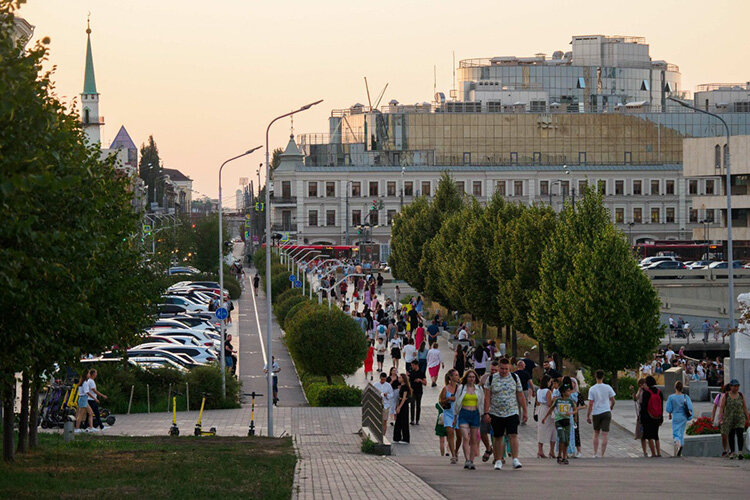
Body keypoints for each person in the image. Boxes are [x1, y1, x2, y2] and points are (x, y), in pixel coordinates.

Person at [483, 358, 527, 470]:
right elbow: (487, 396)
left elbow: (520, 395)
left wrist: (525, 411)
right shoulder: (491, 378)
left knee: (513, 434)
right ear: (498, 368)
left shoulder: (514, 378)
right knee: (498, 436)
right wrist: (486, 412)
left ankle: (515, 459)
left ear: (510, 368)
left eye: (506, 369)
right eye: (502, 368)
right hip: (496, 412)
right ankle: (498, 459)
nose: (504, 371)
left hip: (512, 411)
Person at [542, 382, 577, 464]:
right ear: (563, 392)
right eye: (568, 391)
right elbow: (551, 408)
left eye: (570, 391)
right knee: (562, 437)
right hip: (559, 421)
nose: (569, 393)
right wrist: (545, 418)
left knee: (567, 440)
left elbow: (575, 410)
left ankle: (564, 456)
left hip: (567, 421)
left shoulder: (570, 401)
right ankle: (559, 455)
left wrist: (572, 414)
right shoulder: (558, 400)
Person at [455, 369, 484, 469]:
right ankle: (467, 459)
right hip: (464, 413)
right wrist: (455, 416)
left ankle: (472, 461)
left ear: (475, 378)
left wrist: (483, 414)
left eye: (473, 377)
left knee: (473, 439)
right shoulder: (461, 388)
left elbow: (481, 402)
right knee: (466, 438)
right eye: (469, 377)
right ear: (466, 378)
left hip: (475, 413)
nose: (471, 379)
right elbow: (457, 402)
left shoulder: (478, 389)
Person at [586, 369, 616, 458]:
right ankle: (602, 454)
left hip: (596, 412)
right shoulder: (608, 387)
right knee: (605, 434)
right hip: (606, 411)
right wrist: (610, 407)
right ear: (603, 377)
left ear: (595, 376)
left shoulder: (592, 389)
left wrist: (588, 415)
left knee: (596, 433)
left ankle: (594, 453)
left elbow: (590, 403)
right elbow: (613, 400)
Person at [719, 379, 749, 459]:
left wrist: (748, 418)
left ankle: (740, 452)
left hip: (739, 418)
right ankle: (732, 452)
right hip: (729, 418)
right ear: (731, 386)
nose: (736, 388)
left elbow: (745, 407)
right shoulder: (726, 396)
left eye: (737, 386)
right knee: (731, 435)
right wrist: (720, 418)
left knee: (740, 434)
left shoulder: (741, 395)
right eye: (734, 386)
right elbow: (722, 407)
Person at [439, 369, 462, 464]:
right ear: (450, 377)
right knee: (450, 432)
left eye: (458, 375)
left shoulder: (460, 388)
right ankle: (453, 455)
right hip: (448, 413)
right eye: (455, 375)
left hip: (458, 413)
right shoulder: (446, 388)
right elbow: (441, 401)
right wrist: (448, 399)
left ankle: (456, 451)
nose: (457, 377)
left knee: (459, 436)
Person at [666, 380, 693, 457]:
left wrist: (670, 413)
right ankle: (681, 444)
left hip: (676, 416)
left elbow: (669, 409)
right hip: (683, 416)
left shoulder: (671, 397)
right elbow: (690, 407)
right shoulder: (686, 397)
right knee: (681, 432)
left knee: (676, 432)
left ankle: (678, 443)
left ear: (675, 388)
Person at [640, 375, 663, 457]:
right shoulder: (659, 392)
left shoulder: (646, 393)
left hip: (648, 417)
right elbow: (661, 405)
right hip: (657, 417)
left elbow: (643, 407)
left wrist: (641, 420)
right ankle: (659, 453)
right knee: (656, 436)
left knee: (649, 436)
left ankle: (653, 453)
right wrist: (661, 418)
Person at [535, 374, 556, 459]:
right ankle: (551, 451)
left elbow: (537, 402)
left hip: (541, 409)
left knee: (541, 429)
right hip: (547, 410)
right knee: (553, 430)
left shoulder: (539, 390)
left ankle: (540, 450)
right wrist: (554, 400)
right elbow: (549, 403)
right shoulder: (548, 391)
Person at [393, 374, 412, 444]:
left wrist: (399, 407)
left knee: (404, 421)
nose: (399, 379)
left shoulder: (405, 387)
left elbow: (404, 398)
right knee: (398, 421)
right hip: (400, 403)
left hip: (404, 406)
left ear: (403, 379)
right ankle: (397, 437)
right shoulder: (401, 387)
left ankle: (406, 438)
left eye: (400, 378)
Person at [712, 383, 731, 455]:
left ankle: (729, 450)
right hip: (721, 418)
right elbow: (714, 407)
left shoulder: (731, 396)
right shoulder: (719, 396)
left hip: (729, 418)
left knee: (728, 434)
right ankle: (725, 449)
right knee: (724, 434)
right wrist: (713, 417)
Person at [373, 372, 394, 436]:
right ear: (380, 378)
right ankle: (377, 433)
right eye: (382, 379)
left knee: (384, 420)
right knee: (377, 420)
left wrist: (386, 395)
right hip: (377, 404)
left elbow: (391, 394)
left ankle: (383, 435)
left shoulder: (388, 385)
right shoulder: (375, 384)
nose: (383, 381)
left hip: (385, 404)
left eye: (384, 380)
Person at [632, 378, 649, 457]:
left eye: (641, 385)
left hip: (647, 413)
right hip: (641, 413)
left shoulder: (648, 390)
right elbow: (635, 398)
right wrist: (633, 391)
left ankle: (651, 450)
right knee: (642, 435)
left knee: (647, 434)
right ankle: (645, 452)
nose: (641, 387)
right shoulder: (640, 390)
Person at [408, 359, 427, 425]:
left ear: (416, 365)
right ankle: (412, 420)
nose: (412, 366)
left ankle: (417, 419)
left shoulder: (421, 373)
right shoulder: (411, 372)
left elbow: (425, 383)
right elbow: (408, 381)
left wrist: (420, 380)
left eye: (413, 365)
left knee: (418, 405)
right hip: (412, 391)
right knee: (412, 404)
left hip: (419, 391)